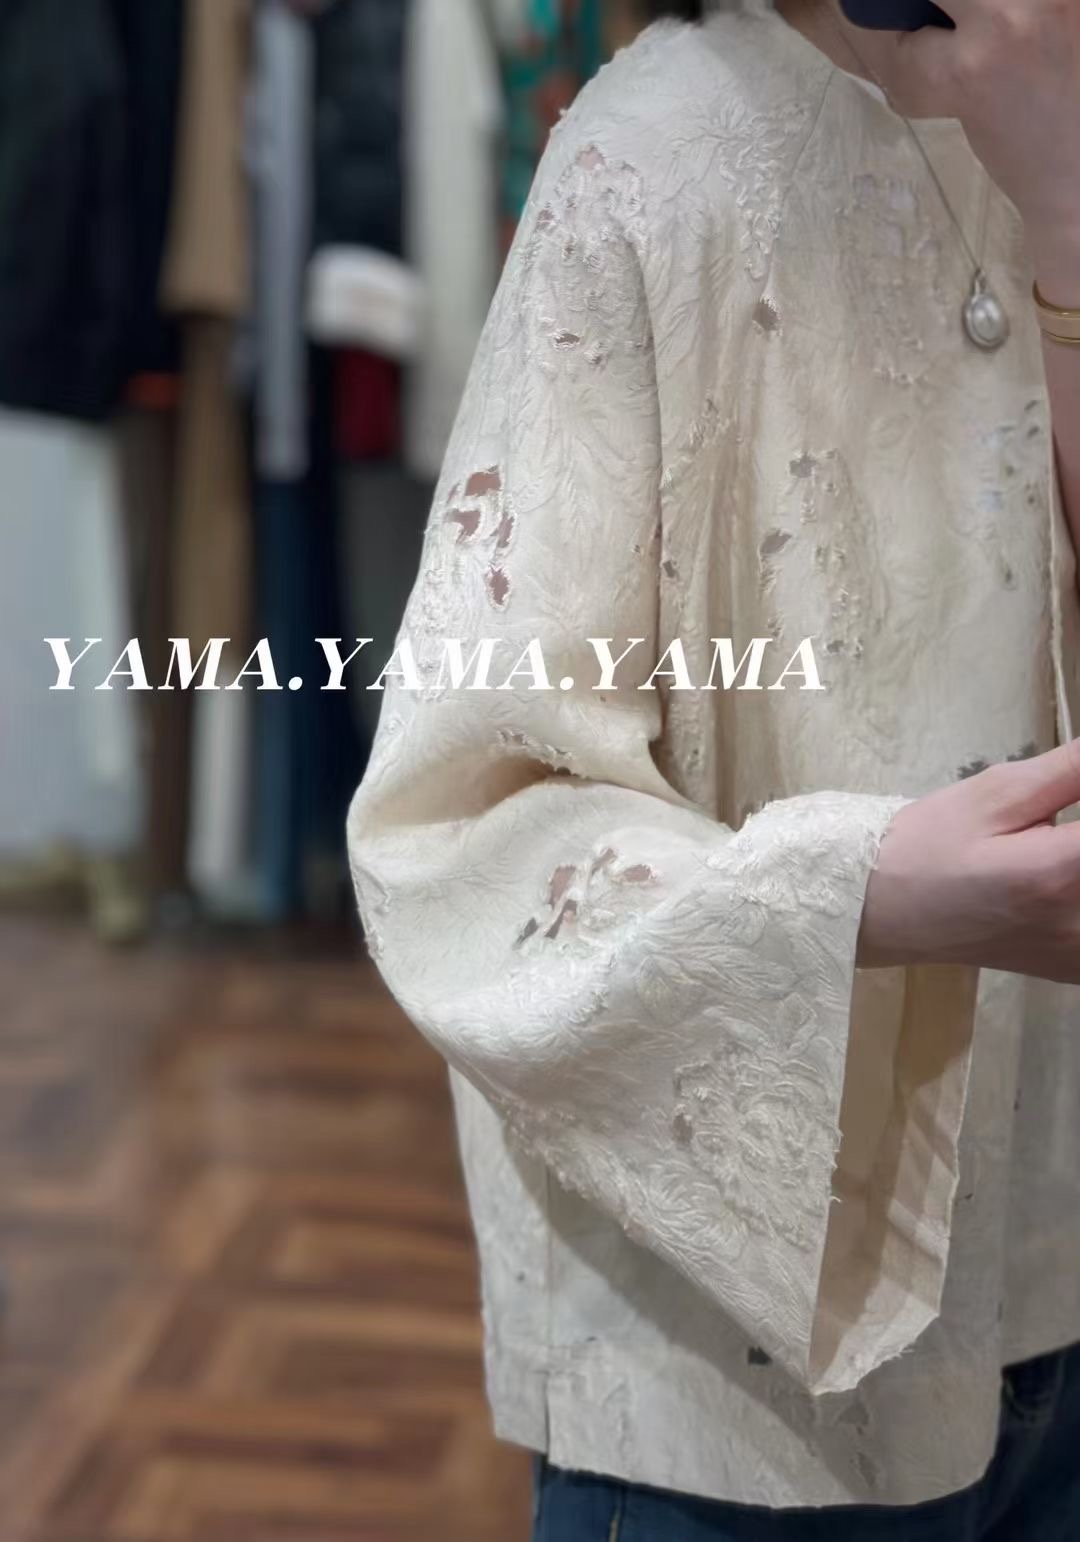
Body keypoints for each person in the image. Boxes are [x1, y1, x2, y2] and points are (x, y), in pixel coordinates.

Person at [346, 0, 1080, 1534]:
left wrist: (1068, 211)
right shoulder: (655, 157)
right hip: (738, 1388)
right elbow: (458, 827)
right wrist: (860, 890)